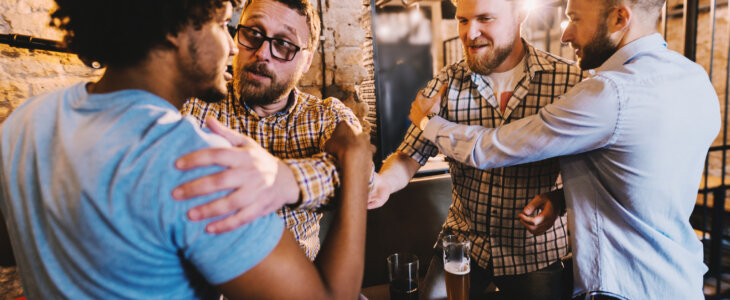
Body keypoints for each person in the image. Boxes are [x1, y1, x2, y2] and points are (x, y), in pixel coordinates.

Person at [0, 0, 372, 299]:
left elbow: (8, 248)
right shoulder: (196, 162)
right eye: (223, 23)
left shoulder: (23, 122)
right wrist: (355, 159)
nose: (230, 45)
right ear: (176, 26)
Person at [410, 0, 720, 299]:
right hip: (680, 281)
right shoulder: (695, 79)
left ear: (619, 19)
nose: (565, 34)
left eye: (575, 18)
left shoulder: (607, 93)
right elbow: (638, 181)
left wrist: (427, 122)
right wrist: (560, 198)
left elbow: (493, 147)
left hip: (622, 286)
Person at [369, 0, 585, 298]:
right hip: (463, 246)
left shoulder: (568, 81)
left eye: (485, 18)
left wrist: (559, 200)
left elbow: (589, 171)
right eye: (462, 20)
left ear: (520, 14)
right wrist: (383, 183)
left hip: (537, 252)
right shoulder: (447, 83)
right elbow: (409, 156)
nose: (470, 34)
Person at [175, 0, 363, 260]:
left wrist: (283, 179)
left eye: (284, 44)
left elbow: (366, 181)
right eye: (253, 34)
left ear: (306, 61)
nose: (262, 52)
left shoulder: (326, 116)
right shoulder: (196, 108)